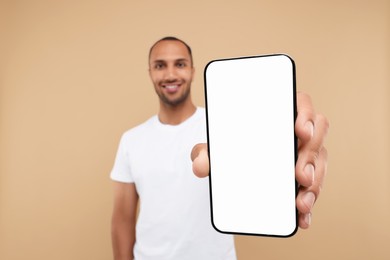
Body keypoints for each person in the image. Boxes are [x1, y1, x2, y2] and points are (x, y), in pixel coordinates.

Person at [111, 36, 329, 260]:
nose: (170, 74)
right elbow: (122, 219)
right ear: (150, 73)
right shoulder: (131, 139)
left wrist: (290, 134)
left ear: (193, 71)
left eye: (180, 64)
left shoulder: (227, 125)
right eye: (160, 65)